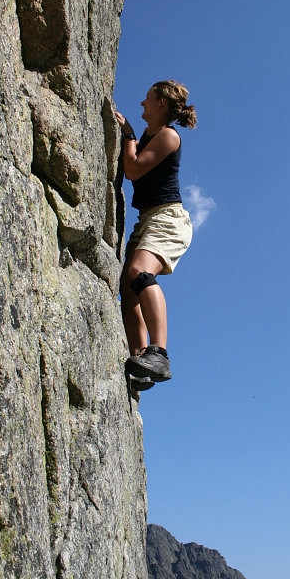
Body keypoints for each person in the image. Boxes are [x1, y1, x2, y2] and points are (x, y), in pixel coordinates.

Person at [115, 80, 197, 392]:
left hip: (168, 218)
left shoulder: (168, 136)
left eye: (147, 98)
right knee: (128, 287)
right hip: (148, 219)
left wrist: (128, 137)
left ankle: (159, 354)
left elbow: (134, 170)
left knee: (139, 272)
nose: (141, 104)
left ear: (162, 103)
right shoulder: (153, 134)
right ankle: (139, 361)